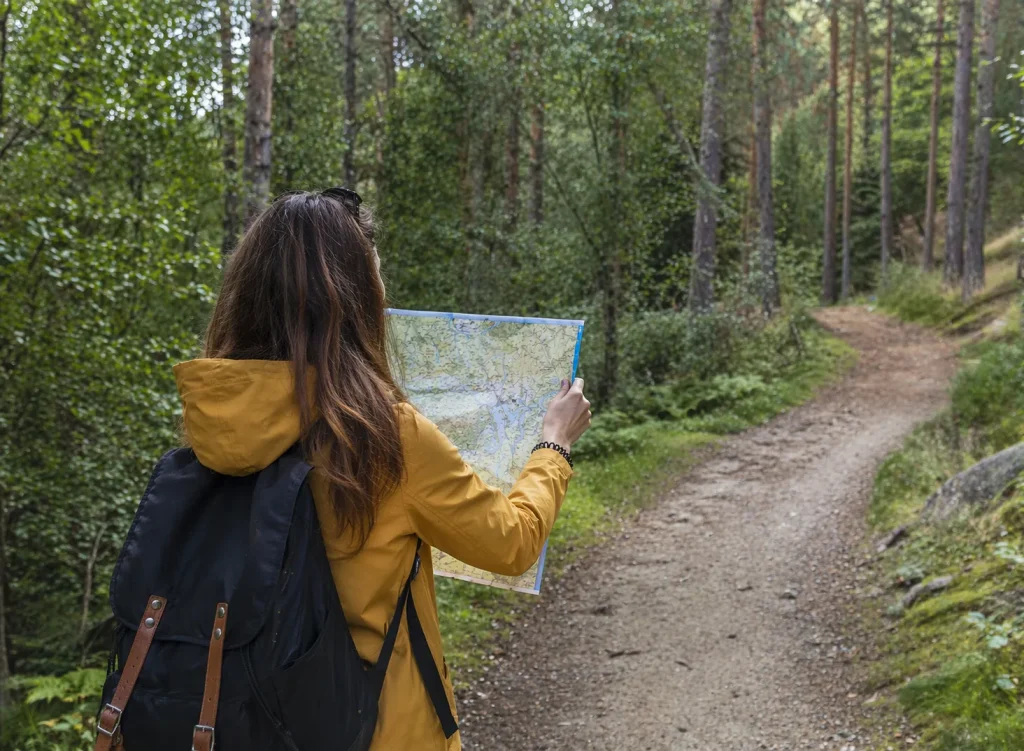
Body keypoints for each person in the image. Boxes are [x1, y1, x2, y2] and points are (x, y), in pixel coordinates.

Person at [172, 188, 591, 750]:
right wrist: (554, 445)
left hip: (242, 726)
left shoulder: (211, 428)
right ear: (356, 301)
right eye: (375, 277)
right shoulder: (386, 437)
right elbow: (510, 544)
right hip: (379, 733)